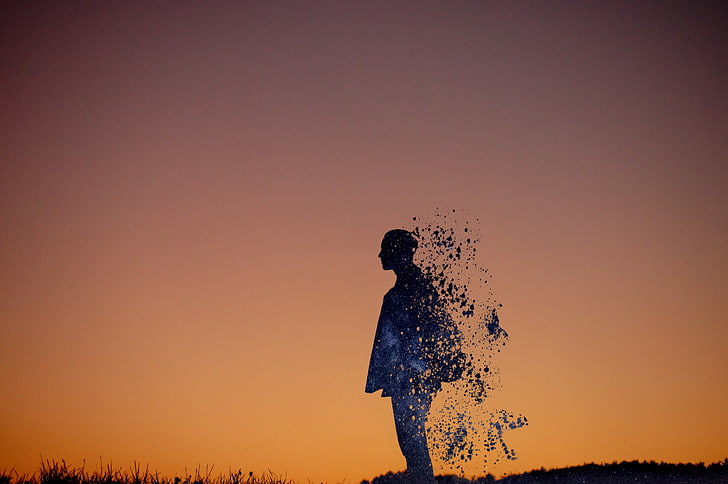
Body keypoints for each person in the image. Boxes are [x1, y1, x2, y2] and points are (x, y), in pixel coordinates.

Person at [366, 229, 463, 483]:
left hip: (414, 374)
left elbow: (437, 325)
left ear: (397, 252)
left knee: (412, 439)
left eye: (384, 249)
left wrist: (431, 365)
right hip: (406, 374)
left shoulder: (415, 288)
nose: (379, 255)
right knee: (410, 440)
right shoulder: (403, 290)